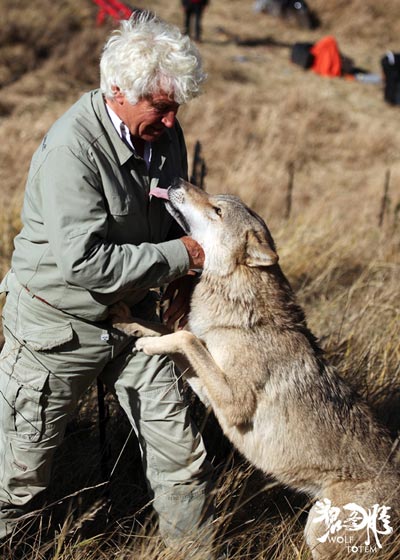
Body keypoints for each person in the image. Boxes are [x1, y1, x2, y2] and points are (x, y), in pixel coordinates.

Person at [0, 11, 215, 557]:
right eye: (160, 107)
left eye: (176, 108)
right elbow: (84, 264)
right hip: (56, 327)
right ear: (116, 90)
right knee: (18, 480)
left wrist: (183, 274)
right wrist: (183, 255)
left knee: (183, 459)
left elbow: (171, 212)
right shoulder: (72, 150)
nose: (170, 121)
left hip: (134, 318)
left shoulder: (164, 133)